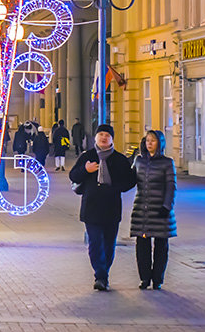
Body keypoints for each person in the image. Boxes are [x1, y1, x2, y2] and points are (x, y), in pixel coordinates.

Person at [69, 124, 137, 291]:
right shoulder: (88, 156)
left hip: (111, 208)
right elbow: (73, 175)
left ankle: (103, 275)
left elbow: (130, 180)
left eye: (107, 135)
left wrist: (115, 188)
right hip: (91, 207)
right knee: (95, 243)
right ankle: (100, 275)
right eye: (101, 135)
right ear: (96, 137)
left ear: (112, 138)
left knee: (108, 244)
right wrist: (86, 169)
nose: (104, 137)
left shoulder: (119, 159)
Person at [130, 129, 177, 290]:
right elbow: (129, 180)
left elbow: (171, 186)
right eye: (147, 140)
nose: (149, 143)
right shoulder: (139, 160)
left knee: (161, 245)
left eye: (153, 140)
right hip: (142, 209)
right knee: (142, 245)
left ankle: (158, 278)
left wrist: (167, 206)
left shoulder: (167, 162)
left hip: (160, 209)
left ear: (160, 143)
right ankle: (144, 278)